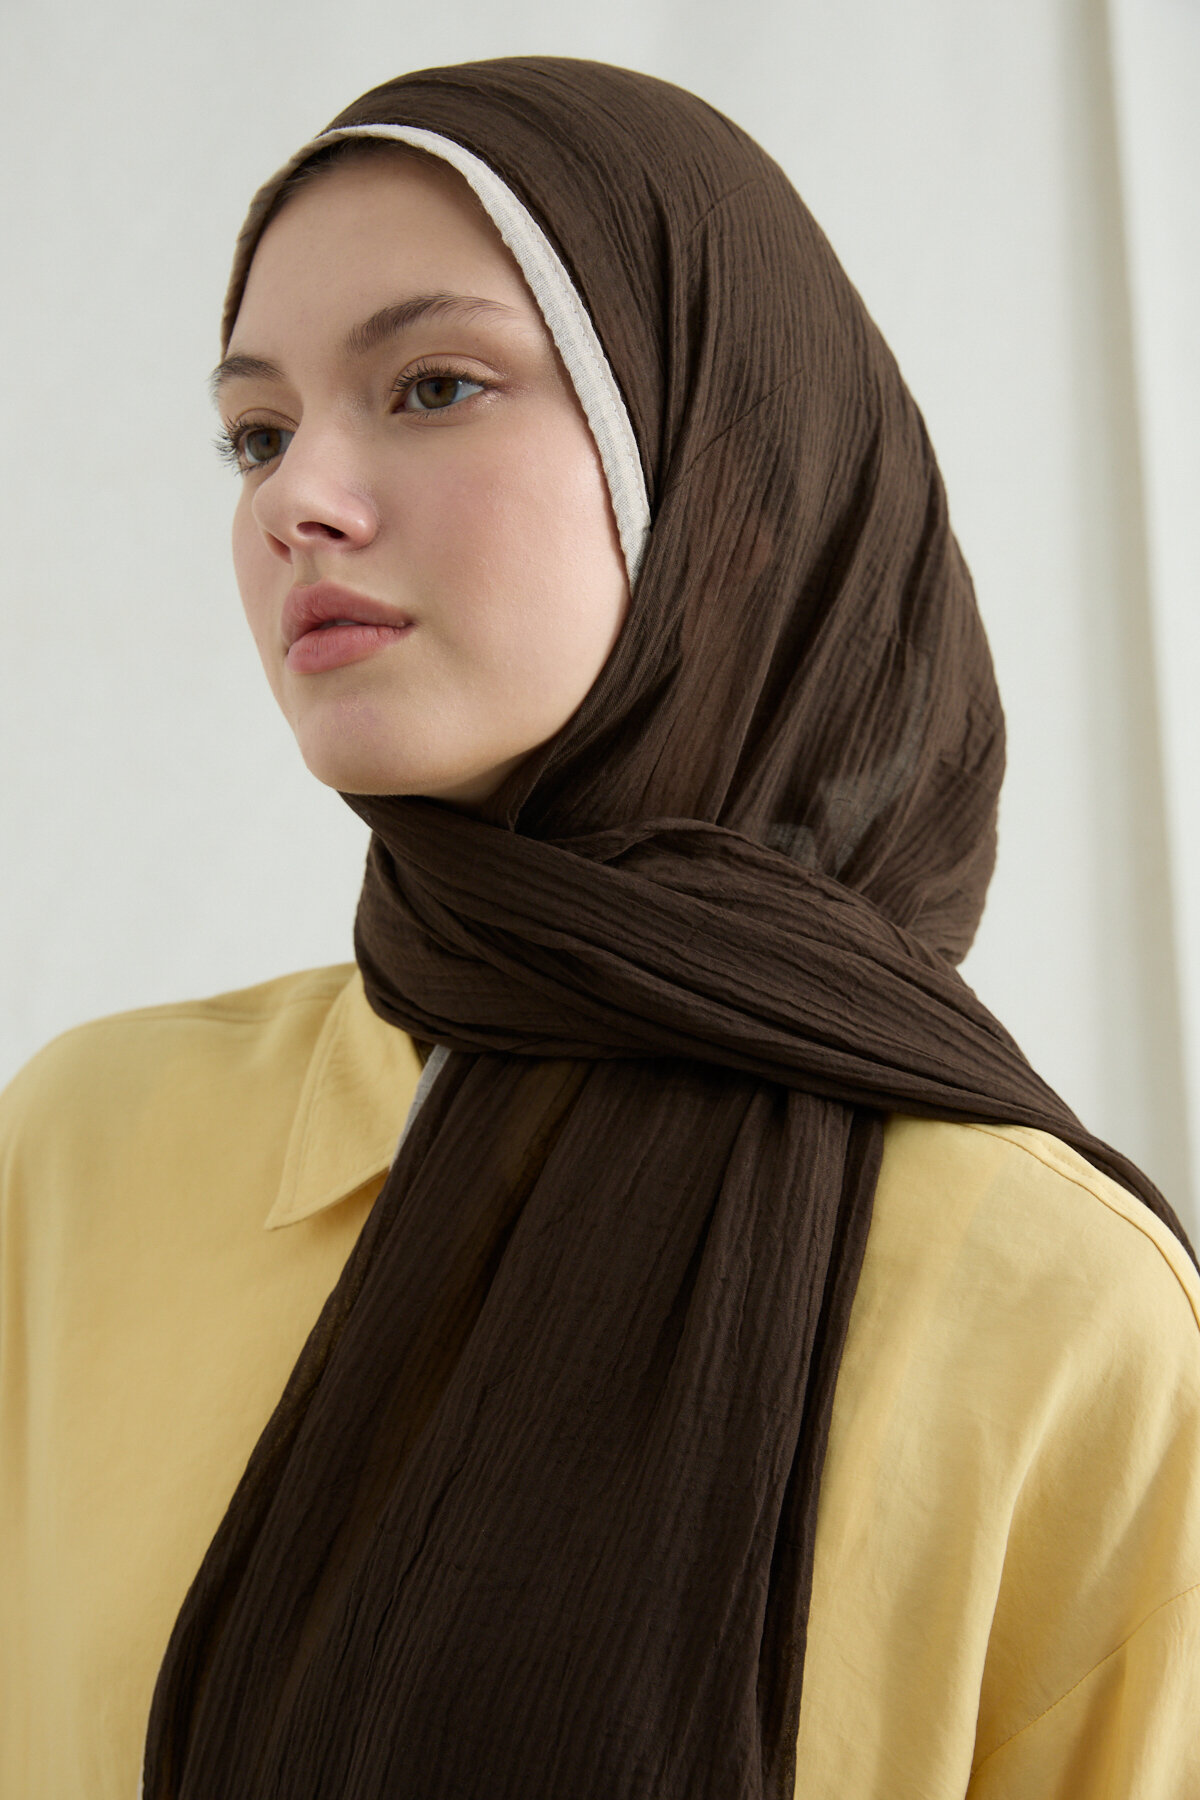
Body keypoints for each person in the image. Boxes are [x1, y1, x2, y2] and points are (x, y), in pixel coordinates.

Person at [1, 55, 1198, 1800]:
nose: (293, 497)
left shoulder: (1058, 1309)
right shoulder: (81, 1158)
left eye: (433, 385)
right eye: (257, 431)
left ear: (731, 479)